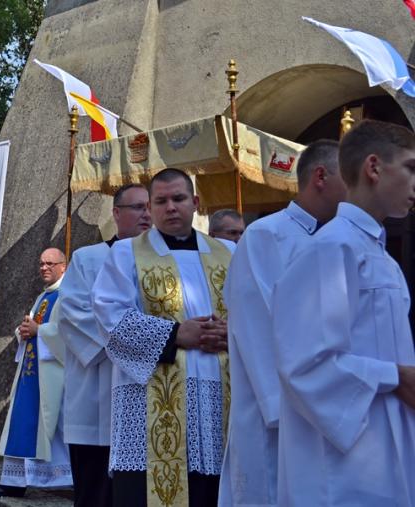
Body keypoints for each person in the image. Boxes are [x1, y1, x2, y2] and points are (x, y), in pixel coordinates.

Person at [272, 120, 415, 506]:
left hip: (387, 447)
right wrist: (397, 377)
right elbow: (305, 364)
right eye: (410, 167)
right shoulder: (331, 249)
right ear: (374, 167)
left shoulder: (381, 257)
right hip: (343, 464)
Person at [92, 168, 232, 507]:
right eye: (161, 201)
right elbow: (109, 316)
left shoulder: (230, 253)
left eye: (179, 199)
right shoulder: (126, 253)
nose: (170, 207)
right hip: (150, 403)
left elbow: (259, 312)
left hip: (220, 399)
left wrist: (234, 333)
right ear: (150, 208)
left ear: (195, 202)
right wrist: (175, 334)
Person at [218, 139, 346, 507]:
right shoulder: (266, 235)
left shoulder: (340, 238)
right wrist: (287, 411)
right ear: (320, 176)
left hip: (327, 412)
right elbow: (256, 329)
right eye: (349, 176)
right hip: (279, 416)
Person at [57, 183, 151, 507]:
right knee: (95, 494)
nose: (146, 214)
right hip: (96, 397)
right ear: (116, 213)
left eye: (149, 207)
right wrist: (138, 341)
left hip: (148, 396)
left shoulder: (164, 263)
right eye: (137, 207)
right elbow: (73, 316)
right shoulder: (88, 258)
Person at [0, 247, 73, 497]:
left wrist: (39, 331)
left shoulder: (69, 294)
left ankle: (67, 481)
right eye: (41, 263)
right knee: (22, 423)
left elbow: (70, 333)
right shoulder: (44, 295)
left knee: (53, 429)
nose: (44, 267)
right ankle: (13, 482)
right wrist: (22, 331)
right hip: (32, 374)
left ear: (64, 266)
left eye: (50, 263)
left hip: (53, 377)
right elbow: (34, 325)